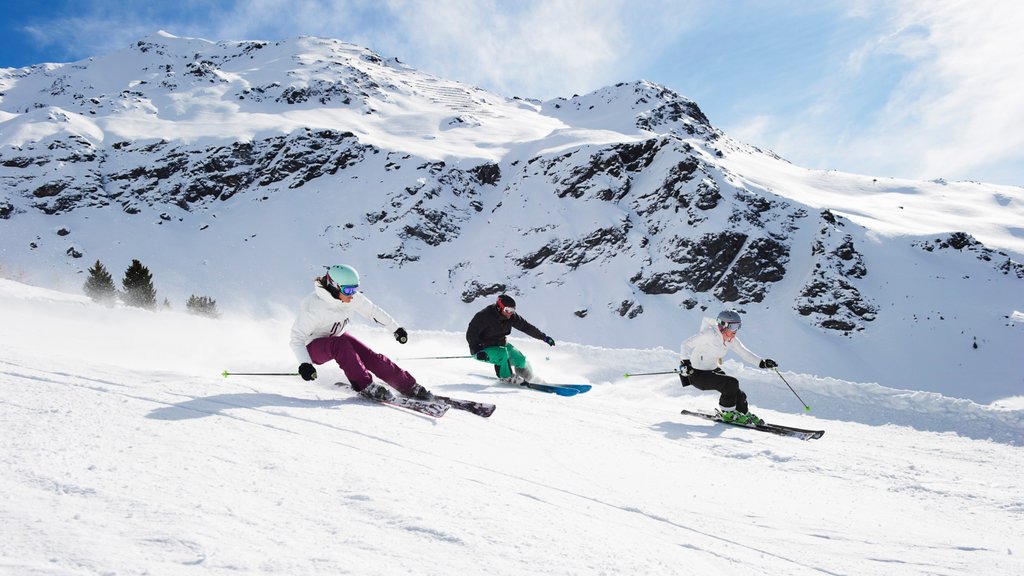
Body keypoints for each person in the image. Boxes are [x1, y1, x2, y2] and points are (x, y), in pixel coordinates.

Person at [289, 264, 433, 400]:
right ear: (334, 286)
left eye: (354, 289)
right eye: (348, 290)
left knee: (370, 356)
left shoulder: (351, 298)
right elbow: (296, 338)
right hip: (312, 348)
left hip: (337, 338)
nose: (352, 294)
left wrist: (395, 328)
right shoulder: (314, 307)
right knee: (340, 344)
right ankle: (365, 386)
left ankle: (408, 386)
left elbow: (372, 311)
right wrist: (305, 364)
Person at [679, 309, 778, 426]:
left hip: (711, 369)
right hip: (696, 374)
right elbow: (685, 344)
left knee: (738, 392)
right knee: (731, 383)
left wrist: (763, 363)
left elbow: (745, 353)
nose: (735, 331)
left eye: (738, 326)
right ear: (723, 325)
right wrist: (685, 363)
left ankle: (743, 413)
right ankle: (728, 414)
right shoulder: (709, 334)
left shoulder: (730, 339)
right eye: (733, 327)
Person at [466, 294, 555, 385]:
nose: (510, 313)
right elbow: (471, 333)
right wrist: (477, 349)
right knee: (502, 354)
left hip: (500, 344)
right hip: (482, 349)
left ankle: (529, 377)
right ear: (499, 307)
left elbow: (526, 327)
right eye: (507, 310)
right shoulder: (484, 316)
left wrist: (543, 337)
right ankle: (507, 377)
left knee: (520, 359)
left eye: (512, 310)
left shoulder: (512, 317)